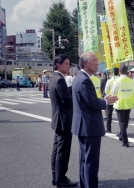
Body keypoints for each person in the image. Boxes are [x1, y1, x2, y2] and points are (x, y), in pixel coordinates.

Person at [71, 52, 117, 188]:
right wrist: (105, 101)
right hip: (89, 126)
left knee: (84, 160)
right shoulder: (84, 80)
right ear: (85, 64)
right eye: (94, 60)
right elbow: (93, 103)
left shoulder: (79, 77)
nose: (97, 62)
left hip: (83, 125)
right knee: (91, 162)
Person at [49, 54, 77, 187]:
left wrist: (70, 90)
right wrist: (76, 95)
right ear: (58, 65)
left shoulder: (54, 78)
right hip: (64, 119)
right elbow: (66, 101)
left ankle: (56, 177)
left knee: (57, 149)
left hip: (58, 118)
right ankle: (61, 179)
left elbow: (62, 95)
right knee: (63, 150)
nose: (68, 66)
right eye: (66, 63)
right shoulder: (60, 80)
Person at [112, 64, 134, 147]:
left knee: (122, 123)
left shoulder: (117, 81)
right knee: (126, 121)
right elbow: (133, 91)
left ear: (119, 72)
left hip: (120, 103)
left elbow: (114, 93)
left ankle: (125, 142)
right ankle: (121, 135)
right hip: (128, 103)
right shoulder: (130, 80)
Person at [104, 67, 119, 133]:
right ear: (119, 72)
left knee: (109, 115)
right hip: (118, 99)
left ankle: (108, 128)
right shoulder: (120, 80)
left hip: (110, 99)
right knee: (120, 117)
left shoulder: (109, 81)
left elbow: (106, 90)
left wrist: (109, 95)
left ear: (112, 73)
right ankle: (121, 130)